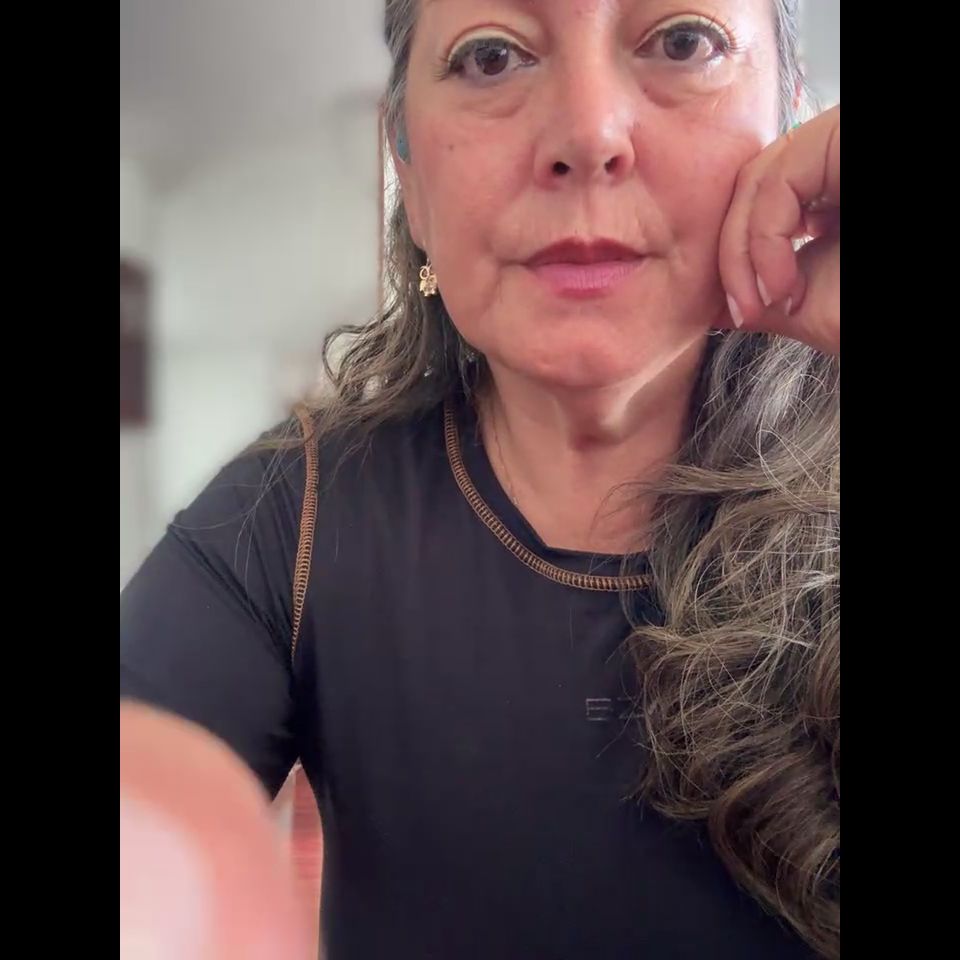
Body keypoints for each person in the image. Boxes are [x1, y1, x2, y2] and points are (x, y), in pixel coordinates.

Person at [120, 1, 840, 957]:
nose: (588, 135)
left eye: (682, 41)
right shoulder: (289, 516)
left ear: (791, 119)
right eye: (492, 56)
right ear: (408, 173)